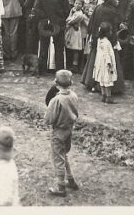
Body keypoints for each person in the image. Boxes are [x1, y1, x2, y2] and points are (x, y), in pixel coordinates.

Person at [44, 69, 80, 197]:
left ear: (55, 82)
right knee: (64, 155)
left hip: (58, 131)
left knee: (58, 158)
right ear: (70, 82)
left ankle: (61, 187)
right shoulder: (74, 95)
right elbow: (76, 113)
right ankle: (70, 180)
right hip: (69, 129)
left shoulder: (56, 100)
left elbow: (48, 119)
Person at [92, 22, 118, 104]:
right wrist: (109, 64)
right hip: (106, 64)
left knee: (102, 80)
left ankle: (103, 95)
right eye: (110, 31)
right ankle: (108, 97)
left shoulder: (99, 40)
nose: (111, 32)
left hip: (100, 63)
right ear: (106, 32)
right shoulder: (106, 42)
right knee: (108, 80)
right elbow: (107, 54)